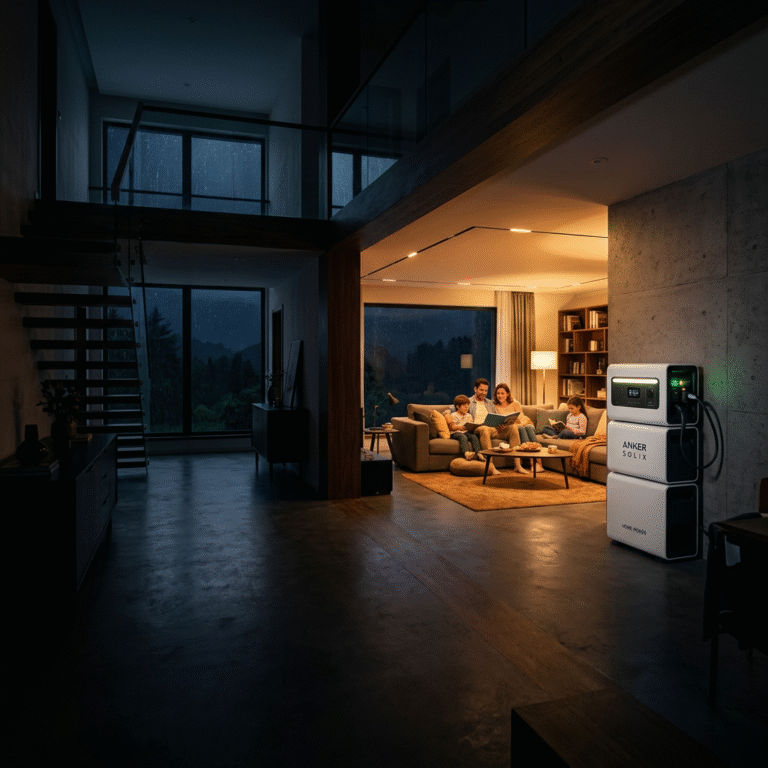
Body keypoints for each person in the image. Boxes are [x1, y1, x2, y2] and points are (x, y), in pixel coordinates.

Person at [492, 382, 543, 474]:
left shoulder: (515, 403)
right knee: (521, 429)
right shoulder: (495, 406)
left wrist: (516, 421)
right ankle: (533, 461)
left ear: (507, 394)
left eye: (502, 393)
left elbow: (521, 417)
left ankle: (538, 461)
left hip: (524, 423)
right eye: (498, 393)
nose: (500, 396)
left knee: (527, 428)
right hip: (512, 427)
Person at [446, 394, 489, 466]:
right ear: (457, 407)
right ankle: (466, 453)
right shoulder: (454, 415)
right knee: (463, 437)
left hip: (466, 432)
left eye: (467, 406)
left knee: (473, 437)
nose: (466, 408)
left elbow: (471, 424)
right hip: (456, 433)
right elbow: (452, 427)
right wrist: (460, 427)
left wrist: (472, 427)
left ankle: (479, 453)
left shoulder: (468, 415)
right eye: (464, 406)